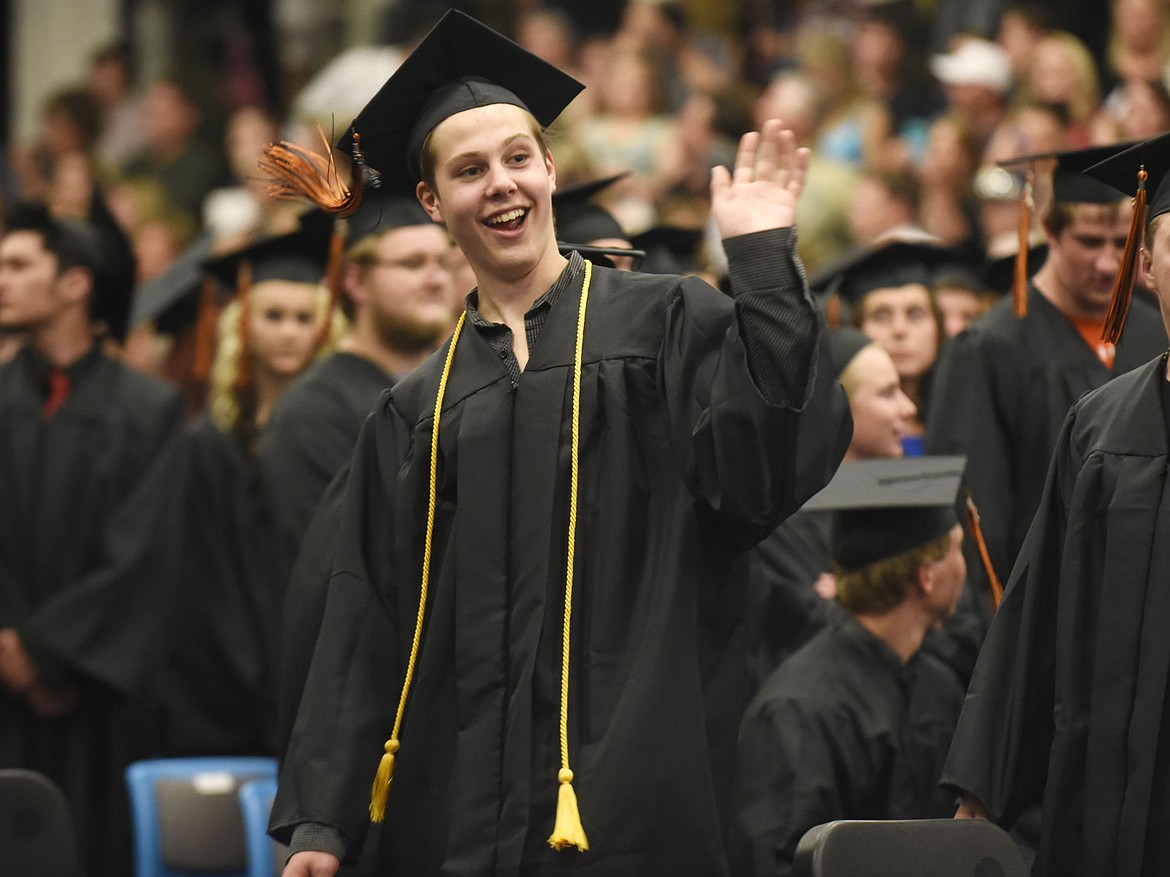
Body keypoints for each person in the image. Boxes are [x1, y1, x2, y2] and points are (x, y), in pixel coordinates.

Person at [261, 10, 850, 875]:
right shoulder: (414, 411)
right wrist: (321, 820)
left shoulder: (666, 325)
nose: (500, 184)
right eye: (468, 170)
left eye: (516, 158)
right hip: (459, 812)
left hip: (633, 801)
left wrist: (761, 268)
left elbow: (762, 474)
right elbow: (362, 614)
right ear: (432, 202)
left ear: (547, 169)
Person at [942, 130, 1170, 876]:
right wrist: (986, 782)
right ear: (1149, 265)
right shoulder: (1102, 426)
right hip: (1103, 796)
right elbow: (1035, 611)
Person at [0, 201, 185, 877]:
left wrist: (49, 654)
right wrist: (10, 649)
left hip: (97, 707)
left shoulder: (147, 409)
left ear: (75, 283)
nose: (1, 280)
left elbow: (144, 555)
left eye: (18, 265)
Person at [925, 143, 1168, 626]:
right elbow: (978, 510)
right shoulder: (989, 348)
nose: (1106, 263)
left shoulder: (1151, 331)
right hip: (1042, 610)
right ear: (1050, 233)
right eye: (1089, 241)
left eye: (1121, 243)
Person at [259, 193, 456, 755]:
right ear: (357, 284)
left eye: (443, 262)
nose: (435, 278)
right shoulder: (314, 412)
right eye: (412, 264)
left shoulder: (441, 392)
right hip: (359, 718)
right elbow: (335, 584)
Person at [733, 456, 970, 876]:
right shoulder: (798, 711)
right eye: (957, 550)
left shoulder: (940, 687)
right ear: (926, 576)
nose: (964, 569)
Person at [162, 216, 342, 757]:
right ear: (242, 325)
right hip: (230, 685)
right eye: (273, 316)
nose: (290, 331)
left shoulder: (343, 428)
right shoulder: (211, 445)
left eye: (304, 317)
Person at [747, 327, 916, 688]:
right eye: (888, 394)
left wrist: (852, 594)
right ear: (837, 406)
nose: (909, 407)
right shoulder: (784, 517)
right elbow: (814, 620)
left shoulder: (904, 500)